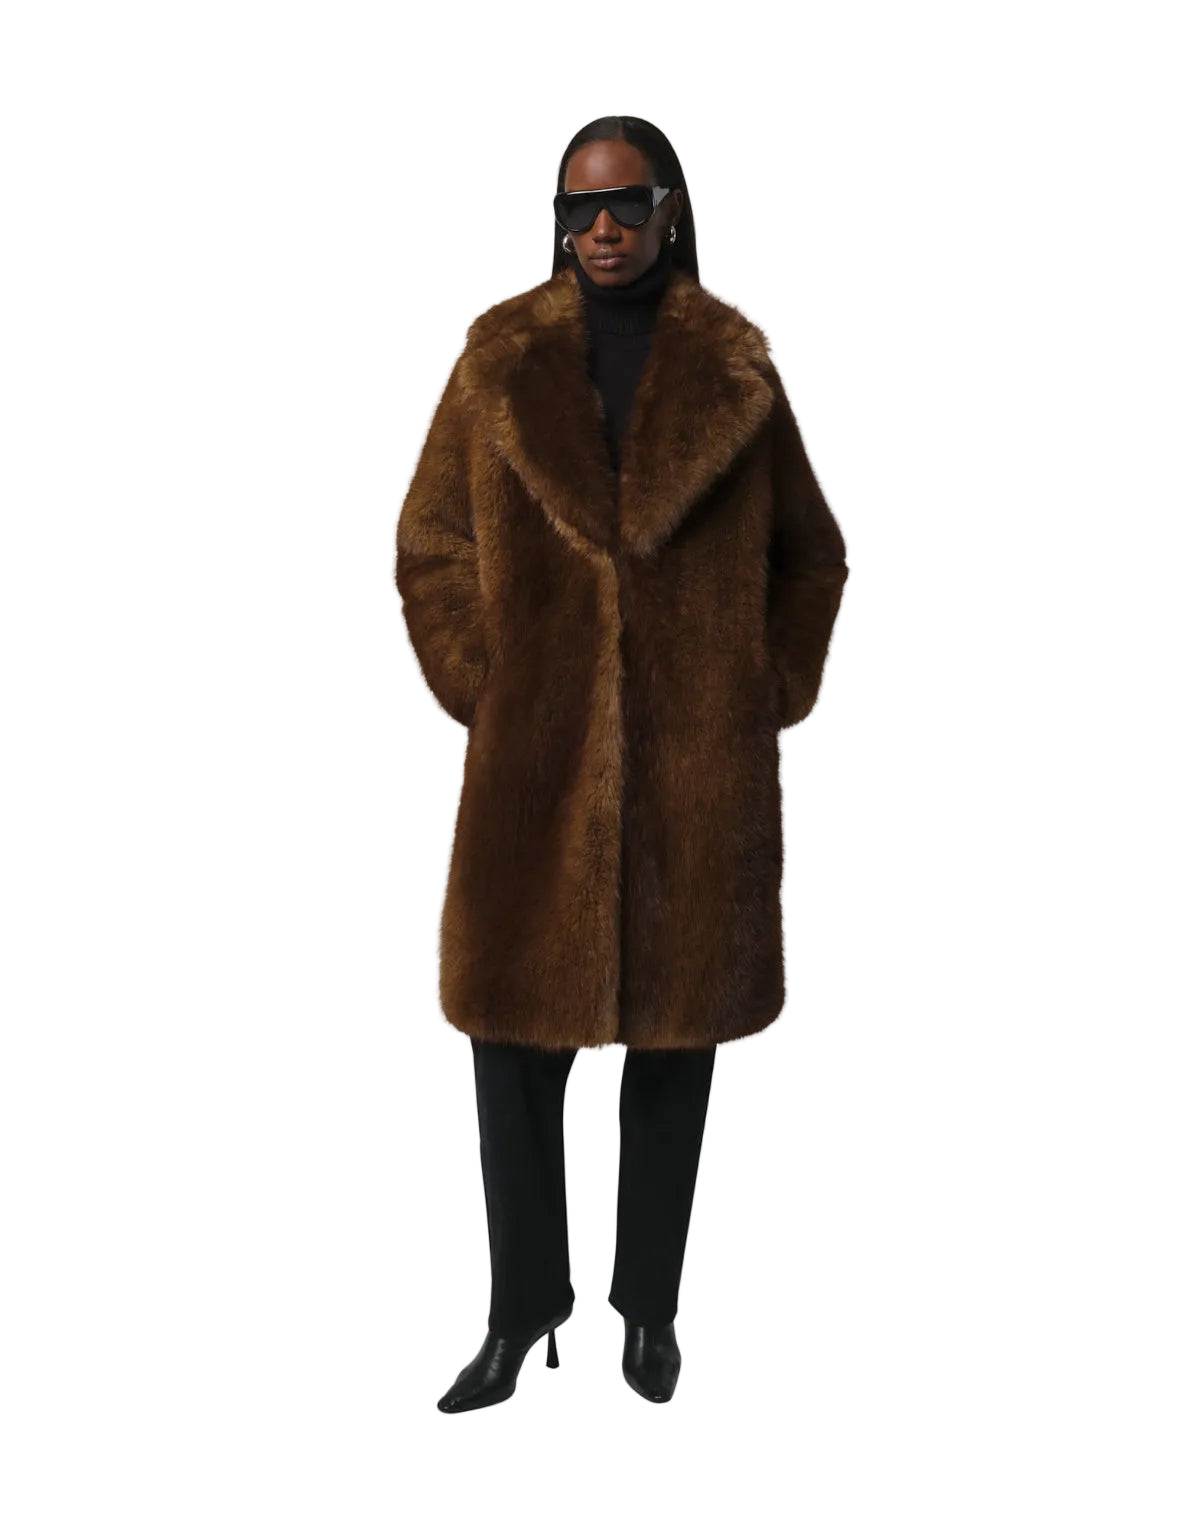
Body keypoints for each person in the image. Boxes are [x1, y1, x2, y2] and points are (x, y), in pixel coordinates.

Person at [394, 116, 849, 1412]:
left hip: (695, 782)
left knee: (674, 1057)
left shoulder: (734, 371)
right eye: (577, 207)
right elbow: (431, 544)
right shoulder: (499, 362)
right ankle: (521, 1309)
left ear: (669, 212)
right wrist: (485, 684)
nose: (599, 228)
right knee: (510, 1049)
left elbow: (812, 555)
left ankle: (649, 1308)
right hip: (534, 779)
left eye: (624, 204)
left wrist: (761, 690)